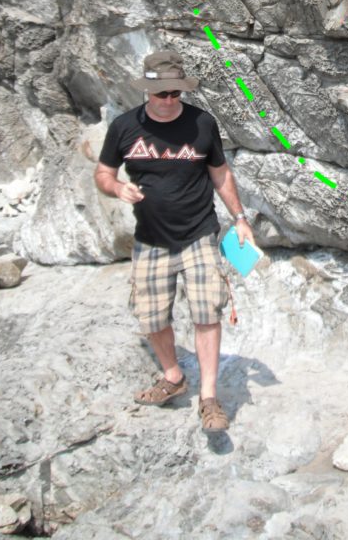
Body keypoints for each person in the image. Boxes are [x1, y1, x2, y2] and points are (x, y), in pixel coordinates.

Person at [94, 49, 255, 432]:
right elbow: (103, 172)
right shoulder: (124, 127)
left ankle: (210, 398)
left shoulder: (202, 123)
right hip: (150, 240)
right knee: (151, 315)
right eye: (161, 93)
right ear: (146, 90)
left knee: (206, 312)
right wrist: (117, 188)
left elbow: (220, 173)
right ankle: (172, 377)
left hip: (198, 234)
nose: (168, 101)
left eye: (175, 93)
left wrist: (240, 219)